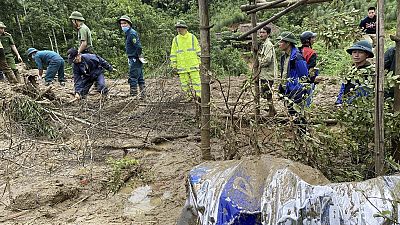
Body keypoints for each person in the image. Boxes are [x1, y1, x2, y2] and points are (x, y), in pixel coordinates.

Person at [276, 31, 309, 134]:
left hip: (296, 90)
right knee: (292, 114)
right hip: (288, 90)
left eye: (281, 42)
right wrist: (281, 86)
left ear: (288, 43)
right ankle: (298, 136)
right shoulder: (284, 57)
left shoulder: (297, 57)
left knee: (299, 115)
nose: (279, 44)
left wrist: (300, 90)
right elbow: (284, 74)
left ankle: (302, 136)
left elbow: (304, 76)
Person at [335, 40, 375, 105]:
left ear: (367, 55)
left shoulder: (370, 73)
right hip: (346, 106)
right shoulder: (349, 70)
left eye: (360, 52)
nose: (356, 55)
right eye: (354, 52)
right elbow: (343, 88)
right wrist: (339, 102)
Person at [170, 20, 201, 101]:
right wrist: (174, 65)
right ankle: (188, 97)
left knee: (196, 82)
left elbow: (198, 51)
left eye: (180, 28)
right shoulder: (176, 40)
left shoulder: (192, 37)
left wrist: (200, 62)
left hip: (193, 65)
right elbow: (173, 53)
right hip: (182, 66)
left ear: (185, 28)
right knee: (184, 84)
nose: (178, 30)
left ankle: (199, 97)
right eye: (177, 28)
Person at [118, 15, 145, 98]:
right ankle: (143, 95)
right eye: (121, 24)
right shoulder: (128, 33)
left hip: (134, 58)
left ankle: (133, 96)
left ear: (129, 24)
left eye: (124, 23)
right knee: (140, 76)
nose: (123, 25)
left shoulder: (132, 33)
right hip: (133, 57)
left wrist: (138, 56)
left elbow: (138, 46)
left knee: (133, 76)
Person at [258, 25, 277, 116]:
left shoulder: (268, 44)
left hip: (267, 74)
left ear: (268, 34)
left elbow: (268, 59)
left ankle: (271, 112)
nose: (261, 34)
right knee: (266, 93)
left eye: (263, 32)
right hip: (265, 74)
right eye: (260, 32)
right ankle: (272, 110)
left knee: (267, 93)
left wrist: (258, 64)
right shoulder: (265, 44)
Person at [299, 31, 318, 107]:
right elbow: (311, 69)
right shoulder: (312, 53)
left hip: (297, 79)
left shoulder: (297, 50)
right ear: (307, 40)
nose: (314, 40)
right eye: (312, 38)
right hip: (307, 80)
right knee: (307, 101)